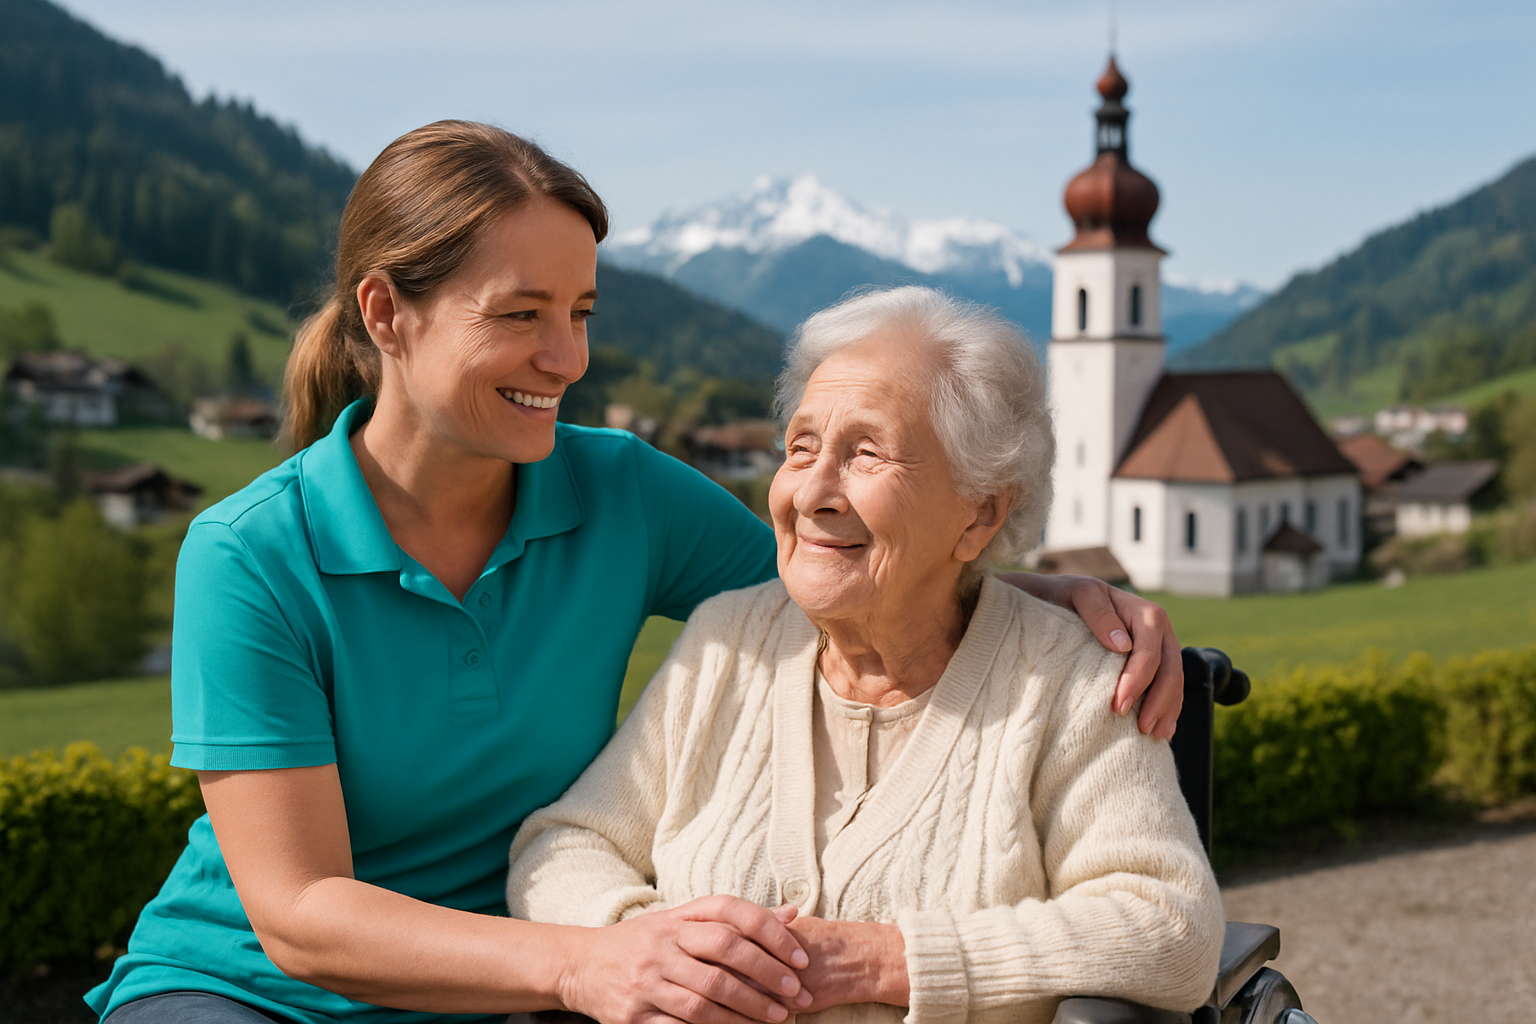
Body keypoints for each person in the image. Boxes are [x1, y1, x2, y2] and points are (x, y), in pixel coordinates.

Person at [87, 122, 1187, 1024]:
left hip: (513, 991)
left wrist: (1050, 594)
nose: (566, 359)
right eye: (520, 315)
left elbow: (845, 565)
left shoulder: (621, 491)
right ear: (386, 313)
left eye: (580, 314)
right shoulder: (250, 554)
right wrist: (582, 960)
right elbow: (301, 914)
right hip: (253, 991)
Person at [507, 287, 1225, 1024]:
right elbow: (564, 846)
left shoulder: (1067, 681)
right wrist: (640, 944)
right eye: (801, 448)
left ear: (980, 512)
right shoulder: (727, 640)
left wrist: (885, 960)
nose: (813, 491)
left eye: (866, 454)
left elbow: (1173, 929)